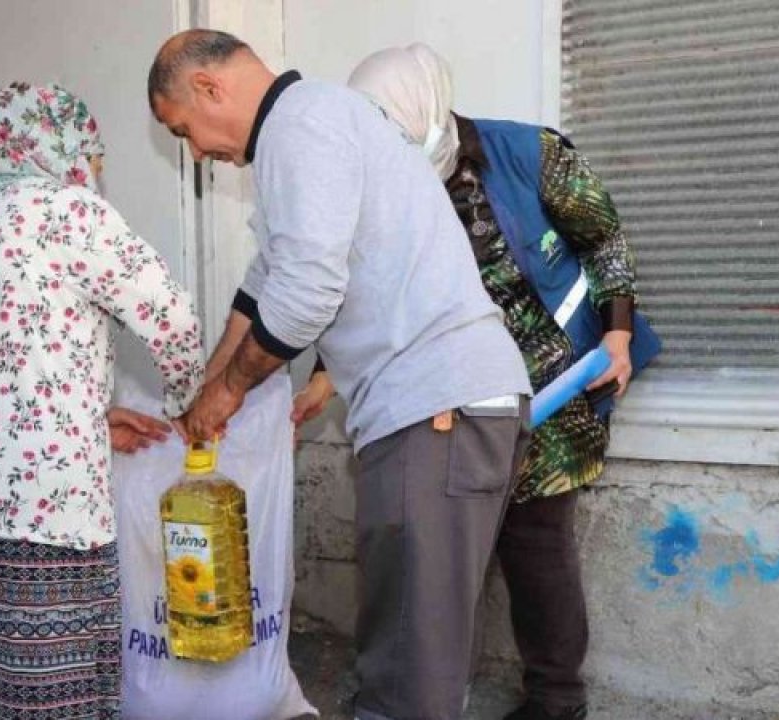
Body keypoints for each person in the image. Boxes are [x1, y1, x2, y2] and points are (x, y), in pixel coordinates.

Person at [148, 30, 533, 720]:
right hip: (431, 408)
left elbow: (303, 299)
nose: (198, 153)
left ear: (209, 88)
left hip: (436, 405)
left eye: (185, 131)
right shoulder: (301, 139)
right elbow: (262, 290)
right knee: (403, 644)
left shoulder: (305, 125)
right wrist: (203, 396)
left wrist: (229, 391)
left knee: (414, 664)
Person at [348, 44, 662, 720]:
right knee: (442, 557)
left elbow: (603, 237)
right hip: (450, 395)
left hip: (550, 385)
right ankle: (426, 697)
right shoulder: (390, 183)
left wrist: (618, 331)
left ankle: (555, 700)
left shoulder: (526, 153)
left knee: (536, 544)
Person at [0, 82, 204, 718]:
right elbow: (173, 323)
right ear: (69, 147)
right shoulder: (74, 214)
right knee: (48, 693)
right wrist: (185, 406)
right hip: (43, 511)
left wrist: (87, 417)